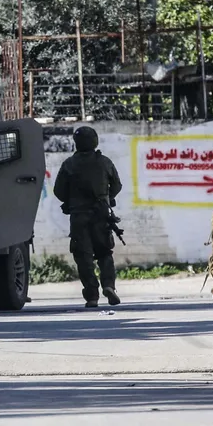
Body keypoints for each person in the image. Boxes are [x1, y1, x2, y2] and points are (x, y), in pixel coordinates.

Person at [53, 125, 123, 308]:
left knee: (83, 257)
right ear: (95, 141)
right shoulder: (104, 162)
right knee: (104, 253)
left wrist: (73, 201)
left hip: (78, 217)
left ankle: (92, 296)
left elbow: (58, 191)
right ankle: (108, 285)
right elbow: (117, 186)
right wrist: (107, 199)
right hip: (101, 215)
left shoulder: (69, 164)